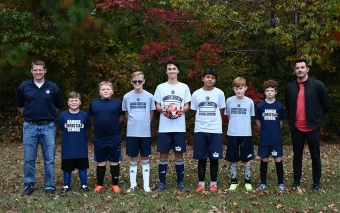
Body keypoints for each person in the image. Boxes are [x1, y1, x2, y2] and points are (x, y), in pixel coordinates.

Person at [16, 60, 64, 195]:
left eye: (40, 70)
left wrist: (48, 116)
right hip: (30, 127)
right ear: (32, 71)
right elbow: (20, 106)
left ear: (45, 70)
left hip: (48, 127)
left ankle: (49, 185)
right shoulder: (24, 86)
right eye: (35, 70)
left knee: (49, 159)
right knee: (29, 159)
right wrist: (29, 115)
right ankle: (29, 184)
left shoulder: (53, 87)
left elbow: (59, 107)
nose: (38, 72)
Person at [285, 59, 330, 192]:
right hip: (297, 128)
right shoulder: (290, 87)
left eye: (302, 67)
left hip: (312, 127)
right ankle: (296, 182)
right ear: (295, 70)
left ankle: (316, 184)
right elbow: (288, 106)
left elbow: (326, 104)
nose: (300, 70)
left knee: (315, 156)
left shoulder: (317, 85)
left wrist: (317, 117)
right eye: (297, 68)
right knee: (297, 156)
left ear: (307, 69)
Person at [154, 60, 191, 192]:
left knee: (179, 155)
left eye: (174, 68)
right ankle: (162, 183)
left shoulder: (184, 87)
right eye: (169, 69)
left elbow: (187, 105)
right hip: (164, 127)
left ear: (178, 71)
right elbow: (157, 105)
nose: (172, 71)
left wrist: (181, 111)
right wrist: (163, 110)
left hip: (179, 127)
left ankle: (180, 183)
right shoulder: (161, 87)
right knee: (163, 155)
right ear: (166, 71)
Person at [191, 68, 226, 192]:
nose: (210, 79)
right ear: (203, 78)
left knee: (214, 158)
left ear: (215, 80)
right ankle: (201, 183)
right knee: (202, 158)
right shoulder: (196, 94)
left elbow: (221, 110)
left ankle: (213, 184)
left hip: (215, 130)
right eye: (207, 77)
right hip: (200, 129)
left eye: (212, 77)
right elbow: (196, 110)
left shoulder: (219, 93)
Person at [122, 71, 156, 193]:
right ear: (131, 81)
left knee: (145, 157)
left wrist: (145, 123)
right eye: (135, 81)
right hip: (132, 132)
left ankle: (146, 185)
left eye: (140, 81)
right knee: (133, 157)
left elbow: (151, 113)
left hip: (145, 132)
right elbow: (126, 113)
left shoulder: (150, 96)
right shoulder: (126, 96)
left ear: (144, 81)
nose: (137, 83)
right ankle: (133, 184)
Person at [89, 81, 124, 193]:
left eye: (108, 89)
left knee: (114, 160)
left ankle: (115, 184)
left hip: (114, 136)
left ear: (112, 91)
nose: (105, 91)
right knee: (101, 161)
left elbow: (122, 116)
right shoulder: (94, 103)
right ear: (99, 92)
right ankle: (99, 184)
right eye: (103, 89)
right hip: (99, 137)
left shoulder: (118, 102)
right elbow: (92, 117)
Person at [224, 77, 255, 191]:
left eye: (241, 88)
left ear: (245, 88)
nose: (239, 91)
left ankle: (247, 181)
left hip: (246, 133)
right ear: (233, 89)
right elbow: (229, 116)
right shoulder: (229, 101)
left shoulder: (249, 102)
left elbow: (250, 117)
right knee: (233, 158)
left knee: (246, 159)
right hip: (232, 133)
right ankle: (234, 181)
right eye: (236, 88)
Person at [58, 92, 91, 192]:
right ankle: (66, 185)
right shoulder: (63, 115)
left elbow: (87, 128)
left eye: (76, 100)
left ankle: (84, 185)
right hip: (68, 147)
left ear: (80, 102)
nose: (74, 102)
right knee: (67, 168)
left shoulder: (84, 115)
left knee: (82, 167)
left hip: (81, 147)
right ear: (68, 103)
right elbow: (60, 130)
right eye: (71, 100)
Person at [255, 80, 285, 191]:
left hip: (276, 138)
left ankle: (281, 183)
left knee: (278, 159)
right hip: (264, 138)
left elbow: (281, 121)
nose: (270, 92)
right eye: (268, 90)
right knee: (264, 159)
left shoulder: (279, 106)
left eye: (272, 90)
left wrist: (276, 131)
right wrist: (263, 131)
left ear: (276, 92)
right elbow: (258, 120)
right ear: (264, 92)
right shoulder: (260, 106)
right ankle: (263, 183)